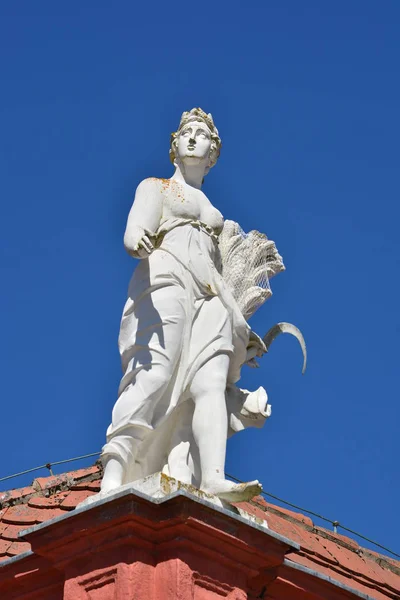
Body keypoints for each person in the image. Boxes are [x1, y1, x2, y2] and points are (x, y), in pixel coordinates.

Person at [100, 108, 267, 502]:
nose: (193, 138)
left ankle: (211, 476)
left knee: (208, 381)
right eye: (186, 133)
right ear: (175, 146)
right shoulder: (157, 187)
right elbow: (135, 227)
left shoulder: (213, 211)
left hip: (211, 294)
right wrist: (136, 239)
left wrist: (240, 324)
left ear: (213, 153)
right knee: (155, 373)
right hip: (168, 280)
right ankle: (115, 467)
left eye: (202, 134)